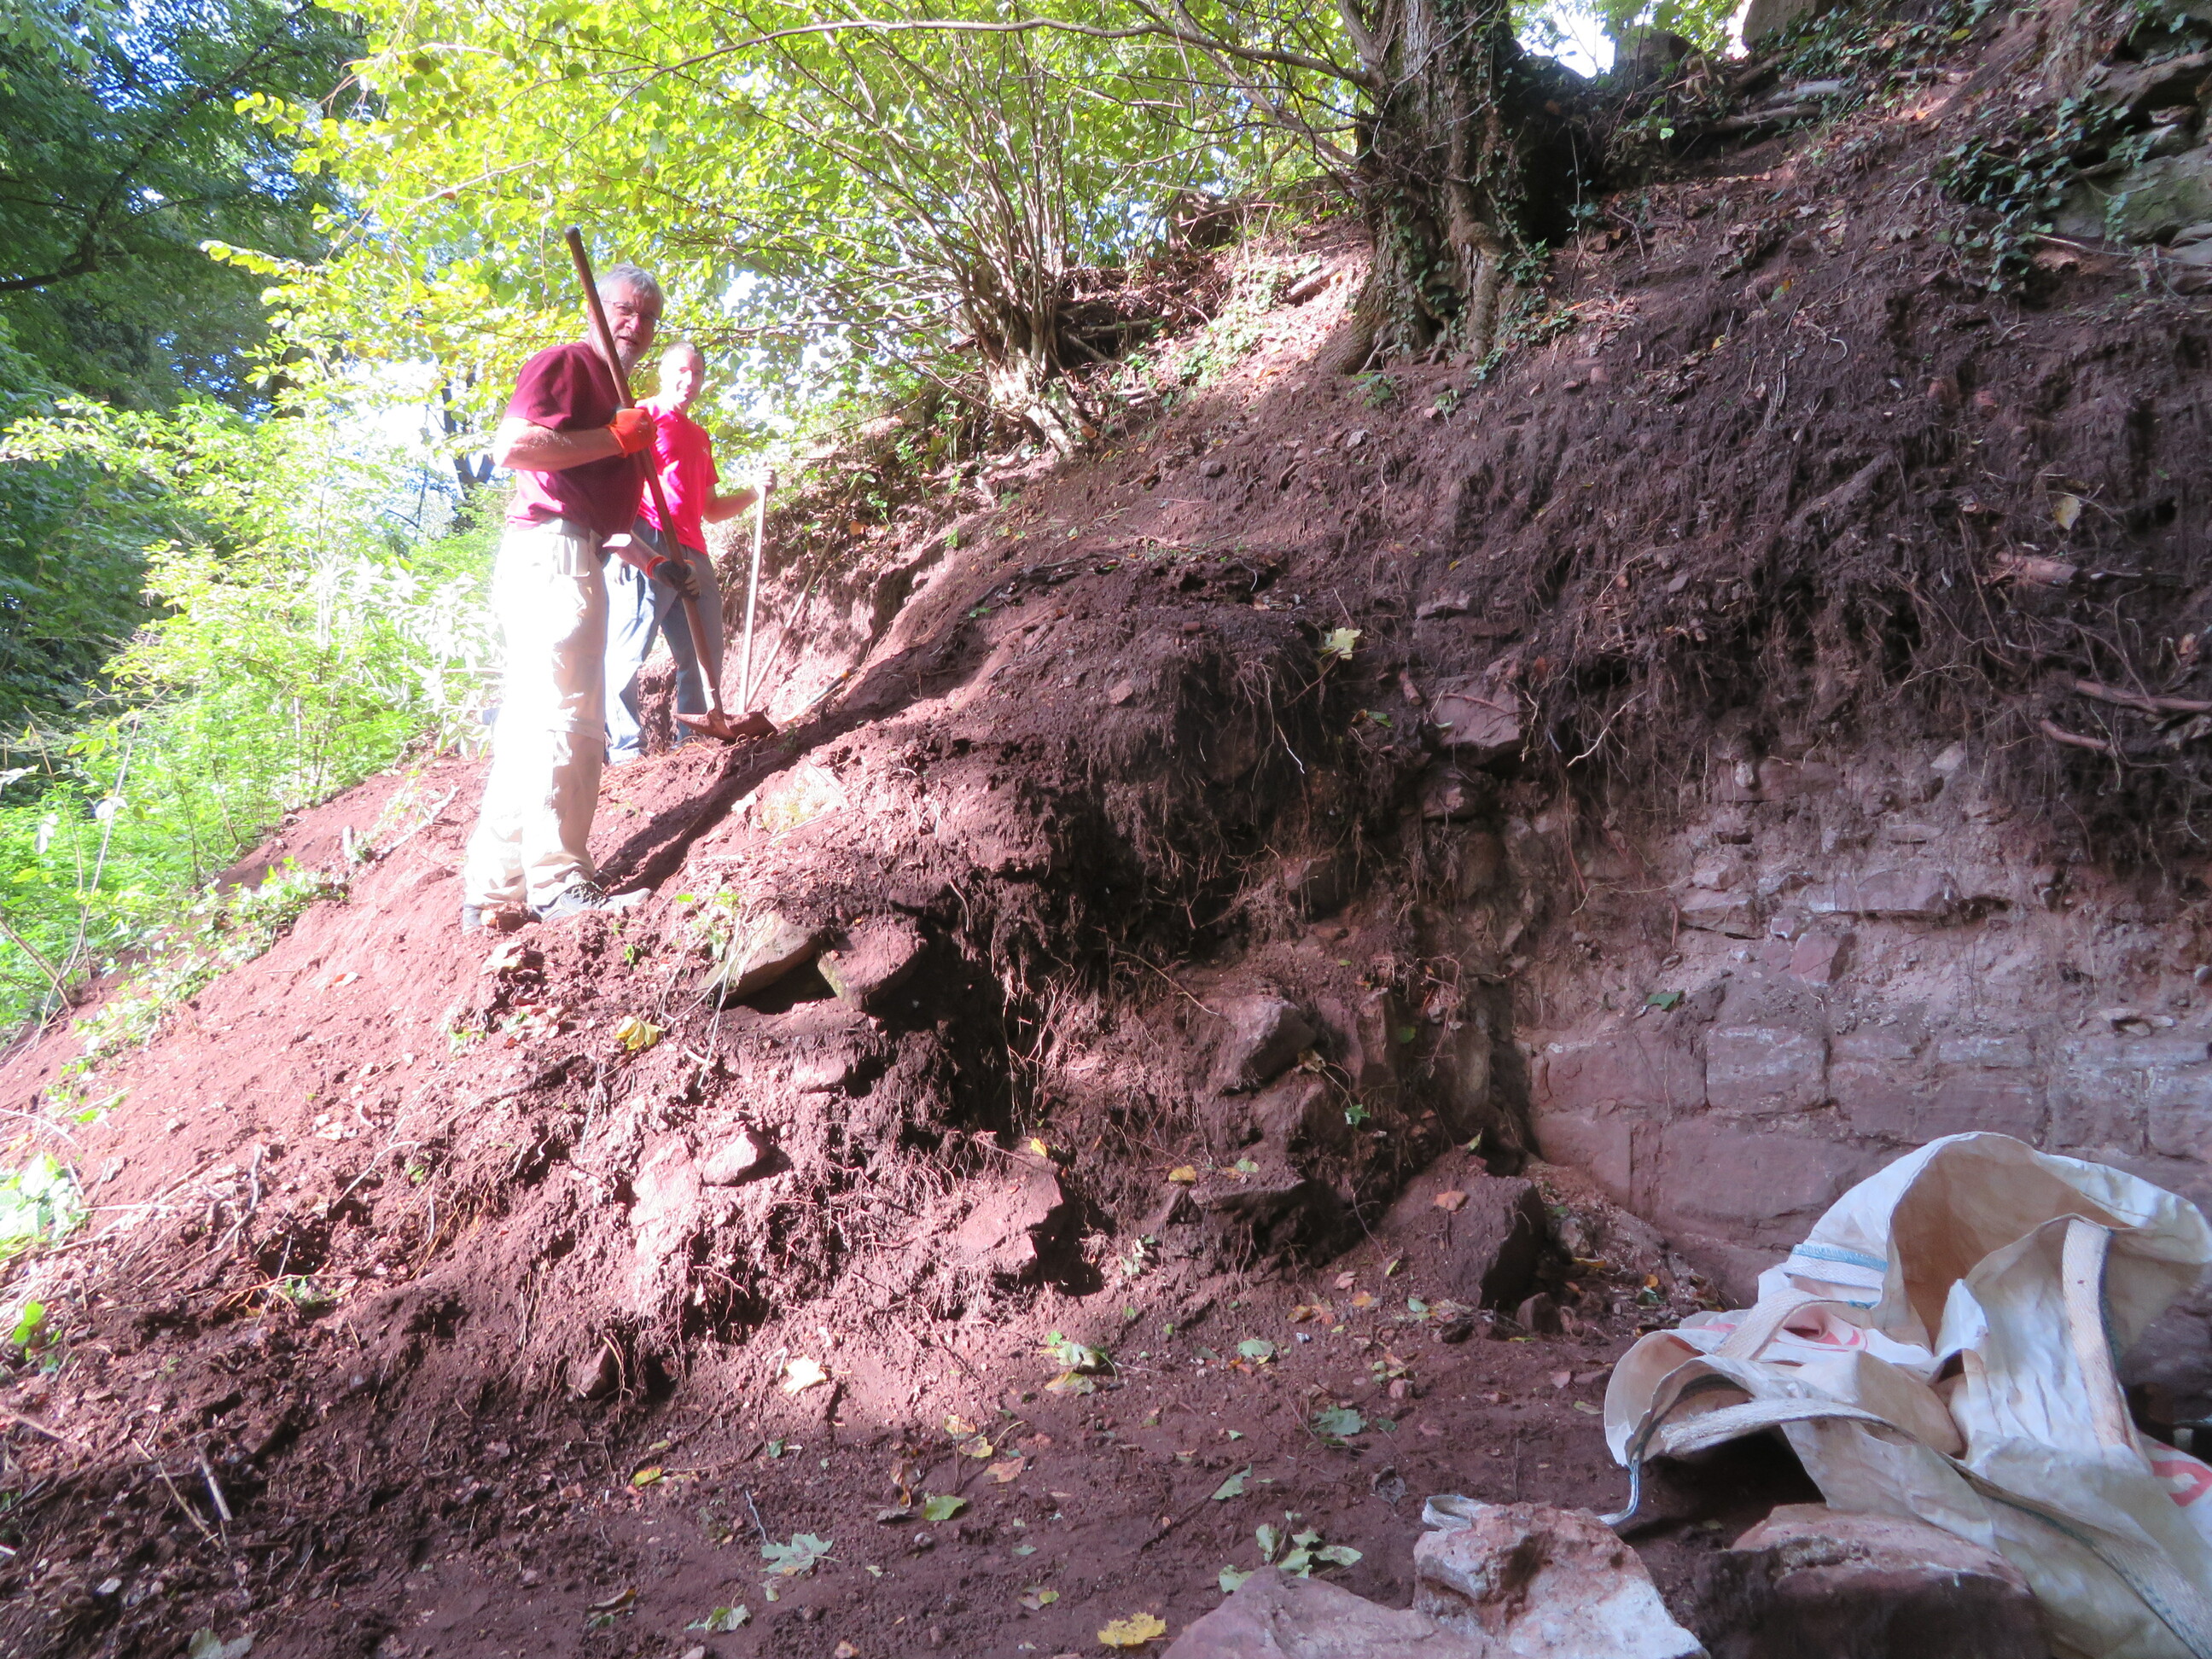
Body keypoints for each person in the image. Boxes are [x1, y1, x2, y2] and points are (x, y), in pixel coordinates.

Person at [458, 262, 700, 931]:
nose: (636, 325)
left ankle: (493, 891)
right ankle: (560, 882)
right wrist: (613, 438)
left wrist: (653, 560)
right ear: (597, 308)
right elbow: (514, 447)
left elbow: (600, 517)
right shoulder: (570, 363)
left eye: (649, 317)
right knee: (570, 715)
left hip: (562, 551)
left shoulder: (616, 396)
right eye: (625, 309)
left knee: (532, 721)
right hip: (553, 555)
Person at [604, 341, 769, 764]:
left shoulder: (700, 436)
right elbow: (612, 478)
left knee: (703, 654)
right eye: (681, 371)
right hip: (648, 538)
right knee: (629, 650)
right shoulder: (641, 414)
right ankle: (626, 750)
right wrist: (624, 541)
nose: (689, 380)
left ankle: (691, 745)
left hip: (694, 551)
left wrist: (754, 491)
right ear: (663, 372)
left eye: (697, 373)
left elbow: (711, 510)